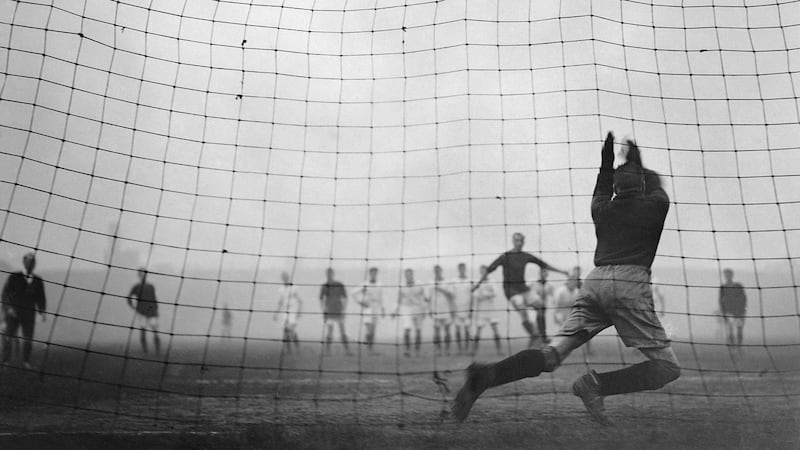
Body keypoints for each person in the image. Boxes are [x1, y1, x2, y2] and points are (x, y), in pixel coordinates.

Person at [452, 132, 680, 426]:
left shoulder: (601, 209)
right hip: (630, 283)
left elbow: (602, 184)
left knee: (551, 355)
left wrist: (607, 161)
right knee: (667, 368)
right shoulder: (655, 206)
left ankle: (486, 375)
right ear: (642, 186)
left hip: (594, 282)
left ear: (614, 188)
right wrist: (636, 159)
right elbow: (656, 184)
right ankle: (596, 386)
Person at [472, 232, 568, 348]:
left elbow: (544, 264)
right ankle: (534, 334)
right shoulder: (505, 256)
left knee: (540, 305)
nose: (519, 243)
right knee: (523, 310)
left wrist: (561, 271)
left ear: (523, 242)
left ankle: (542, 336)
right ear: (513, 241)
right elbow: (489, 270)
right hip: (511, 290)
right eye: (517, 240)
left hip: (523, 288)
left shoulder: (525, 256)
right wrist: (477, 285)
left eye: (521, 241)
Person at [1, 252, 46, 369]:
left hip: (29, 314)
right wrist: (8, 308)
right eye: (28, 261)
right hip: (13, 313)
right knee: (7, 336)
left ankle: (26, 361)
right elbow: (5, 294)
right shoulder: (14, 277)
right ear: (24, 262)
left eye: (33, 262)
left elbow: (41, 298)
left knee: (28, 338)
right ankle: (6, 361)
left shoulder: (38, 281)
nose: (30, 264)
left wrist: (42, 312)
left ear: (35, 264)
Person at [553, 267, 591, 355]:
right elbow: (556, 305)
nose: (574, 283)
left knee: (582, 330)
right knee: (561, 333)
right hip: (561, 313)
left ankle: (566, 350)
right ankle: (556, 350)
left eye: (575, 281)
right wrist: (555, 315)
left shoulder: (577, 291)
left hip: (571, 314)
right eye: (572, 281)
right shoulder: (561, 291)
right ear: (568, 281)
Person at [395, 268, 428, 357]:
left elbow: (424, 298)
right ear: (405, 276)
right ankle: (407, 350)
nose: (408, 276)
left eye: (410, 274)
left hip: (418, 308)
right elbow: (398, 300)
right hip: (406, 309)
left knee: (418, 330)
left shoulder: (420, 285)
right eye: (407, 275)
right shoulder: (402, 286)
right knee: (407, 329)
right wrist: (395, 310)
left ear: (412, 275)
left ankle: (417, 351)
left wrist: (424, 310)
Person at [127, 267, 160, 354]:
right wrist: (133, 307)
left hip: (151, 311)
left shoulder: (150, 286)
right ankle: (145, 351)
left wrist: (155, 309)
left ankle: (157, 351)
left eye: (144, 273)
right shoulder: (137, 287)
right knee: (143, 330)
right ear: (139, 275)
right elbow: (129, 297)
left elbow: (154, 298)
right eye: (141, 274)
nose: (143, 275)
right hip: (142, 312)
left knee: (154, 330)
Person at [320, 268, 352, 356]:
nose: (329, 275)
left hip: (339, 310)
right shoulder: (324, 286)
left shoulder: (339, 284)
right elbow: (322, 300)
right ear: (326, 275)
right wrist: (323, 311)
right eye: (328, 274)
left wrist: (344, 310)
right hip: (329, 311)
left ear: (333, 274)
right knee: (330, 331)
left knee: (342, 331)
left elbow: (345, 297)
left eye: (330, 273)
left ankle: (347, 351)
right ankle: (328, 351)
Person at [472, 265, 503, 356]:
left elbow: (495, 293)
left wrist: (484, 293)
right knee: (478, 331)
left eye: (484, 271)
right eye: (481, 271)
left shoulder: (492, 281)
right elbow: (476, 295)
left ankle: (499, 350)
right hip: (481, 310)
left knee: (495, 330)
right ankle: (474, 351)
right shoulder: (477, 282)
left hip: (491, 309)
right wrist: (487, 294)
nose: (483, 273)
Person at [356, 267, 384, 354]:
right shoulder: (365, 284)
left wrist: (382, 309)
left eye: (375, 273)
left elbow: (380, 298)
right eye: (372, 273)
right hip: (368, 308)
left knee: (373, 329)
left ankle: (371, 348)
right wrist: (360, 302)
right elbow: (353, 292)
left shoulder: (379, 285)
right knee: (368, 328)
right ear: (370, 274)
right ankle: (368, 348)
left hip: (376, 308)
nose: (374, 275)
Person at [274, 271, 303, 354]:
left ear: (288, 277)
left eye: (286, 277)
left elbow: (300, 301)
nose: (285, 279)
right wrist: (276, 313)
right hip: (285, 312)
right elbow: (281, 301)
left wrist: (299, 312)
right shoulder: (281, 289)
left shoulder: (294, 288)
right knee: (285, 331)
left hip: (292, 311)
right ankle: (289, 350)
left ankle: (298, 349)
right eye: (283, 277)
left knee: (292, 331)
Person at [719, 268, 746, 352]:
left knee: (739, 329)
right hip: (729, 311)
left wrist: (743, 310)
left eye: (728, 274)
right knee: (730, 329)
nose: (727, 276)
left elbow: (744, 298)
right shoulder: (723, 287)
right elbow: (720, 300)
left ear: (732, 275)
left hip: (738, 311)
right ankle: (733, 347)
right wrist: (723, 312)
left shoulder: (738, 286)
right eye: (726, 274)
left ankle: (739, 346)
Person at [450, 263, 473, 355]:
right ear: (458, 269)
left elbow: (472, 296)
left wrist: (471, 309)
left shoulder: (470, 281)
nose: (462, 270)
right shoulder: (454, 281)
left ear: (465, 269)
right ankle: (459, 350)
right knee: (458, 329)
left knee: (467, 329)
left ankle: (467, 349)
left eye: (463, 268)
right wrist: (453, 308)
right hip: (457, 309)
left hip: (467, 309)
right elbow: (452, 296)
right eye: (460, 268)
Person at [532, 268, 555, 345]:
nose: (544, 274)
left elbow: (553, 296)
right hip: (534, 307)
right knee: (536, 324)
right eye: (543, 272)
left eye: (545, 272)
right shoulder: (534, 284)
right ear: (539, 273)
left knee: (542, 322)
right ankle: (541, 339)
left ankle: (543, 339)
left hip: (543, 307)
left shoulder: (549, 285)